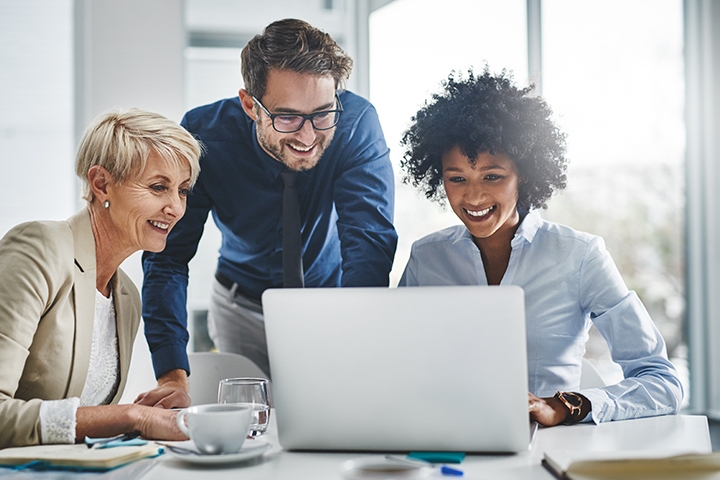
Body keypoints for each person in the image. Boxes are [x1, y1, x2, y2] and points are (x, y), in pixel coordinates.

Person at [398, 68, 683, 426]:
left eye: (492, 176)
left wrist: (565, 406)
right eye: (457, 178)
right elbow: (397, 366)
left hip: (546, 452)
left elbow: (663, 381)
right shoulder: (427, 259)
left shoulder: (579, 256)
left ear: (526, 173)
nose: (472, 196)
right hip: (445, 439)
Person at [139, 18, 397, 400]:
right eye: (288, 117)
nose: (308, 136)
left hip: (332, 304)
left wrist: (355, 341)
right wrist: (172, 374)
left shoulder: (356, 123)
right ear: (250, 105)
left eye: (322, 113)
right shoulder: (204, 135)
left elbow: (368, 242)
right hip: (240, 306)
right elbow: (167, 258)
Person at [0, 108, 202, 448]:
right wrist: (130, 416)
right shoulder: (39, 250)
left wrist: (146, 416)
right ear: (101, 184)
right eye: (158, 187)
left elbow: (86, 427)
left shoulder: (126, 297)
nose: (176, 208)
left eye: (182, 191)